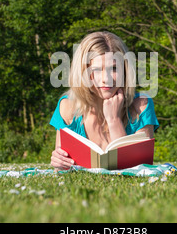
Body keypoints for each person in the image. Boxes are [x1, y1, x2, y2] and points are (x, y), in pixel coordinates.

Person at [49, 31, 159, 170]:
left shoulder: (141, 106)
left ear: (125, 70)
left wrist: (114, 120)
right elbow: (62, 169)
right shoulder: (68, 107)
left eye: (113, 68)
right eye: (96, 70)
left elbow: (139, 170)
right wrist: (59, 162)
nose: (105, 79)